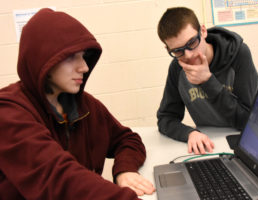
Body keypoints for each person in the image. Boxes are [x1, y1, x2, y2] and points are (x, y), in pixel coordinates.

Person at [0, 8, 155, 200]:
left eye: (83, 56)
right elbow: (58, 179)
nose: (84, 67)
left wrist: (124, 170)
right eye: (72, 57)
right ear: (43, 60)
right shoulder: (7, 111)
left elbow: (127, 139)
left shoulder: (85, 106)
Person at [156, 7, 258, 155]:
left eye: (192, 43)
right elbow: (166, 118)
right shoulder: (177, 68)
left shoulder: (239, 54)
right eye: (178, 51)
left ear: (203, 31)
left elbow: (249, 121)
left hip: (243, 143)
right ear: (168, 49)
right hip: (209, 146)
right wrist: (190, 133)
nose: (189, 55)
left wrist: (208, 82)